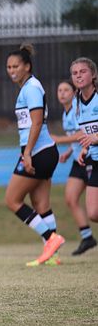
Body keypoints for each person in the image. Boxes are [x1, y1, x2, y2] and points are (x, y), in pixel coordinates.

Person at [3, 44, 65, 266]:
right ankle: (53, 256)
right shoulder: (28, 87)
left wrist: (27, 153)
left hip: (39, 152)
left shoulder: (31, 88)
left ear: (27, 67)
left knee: (12, 200)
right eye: (9, 67)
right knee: (41, 205)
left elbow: (37, 122)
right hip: (45, 152)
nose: (12, 70)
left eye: (16, 66)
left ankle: (51, 239)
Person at [51, 78, 96, 255]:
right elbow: (76, 138)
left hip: (89, 157)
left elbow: (82, 134)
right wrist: (69, 151)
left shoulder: (79, 109)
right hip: (78, 159)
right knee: (70, 198)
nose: (62, 93)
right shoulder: (65, 113)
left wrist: (61, 140)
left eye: (66, 90)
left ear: (73, 93)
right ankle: (87, 238)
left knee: (94, 208)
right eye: (59, 90)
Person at [71, 57, 98, 225]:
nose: (78, 76)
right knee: (94, 213)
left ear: (93, 74)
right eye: (74, 73)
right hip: (95, 160)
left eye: (83, 71)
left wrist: (95, 138)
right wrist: (84, 148)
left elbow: (94, 134)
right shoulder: (77, 102)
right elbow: (85, 129)